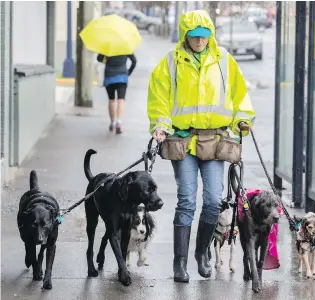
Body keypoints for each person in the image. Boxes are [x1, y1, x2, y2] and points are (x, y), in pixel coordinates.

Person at [147, 10, 256, 283]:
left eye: (204, 37)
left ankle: (201, 253)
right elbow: (159, 97)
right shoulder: (171, 62)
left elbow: (240, 95)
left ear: (211, 36)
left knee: (211, 202)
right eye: (194, 37)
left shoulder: (224, 61)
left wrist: (242, 119)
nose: (199, 42)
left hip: (215, 141)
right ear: (186, 35)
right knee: (186, 201)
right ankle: (179, 263)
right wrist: (160, 124)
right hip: (183, 141)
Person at [97, 53, 137, 134]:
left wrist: (106, 59)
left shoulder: (107, 46)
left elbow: (99, 58)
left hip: (109, 76)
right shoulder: (125, 46)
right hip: (122, 77)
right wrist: (128, 72)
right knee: (121, 100)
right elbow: (134, 61)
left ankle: (112, 123)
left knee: (111, 100)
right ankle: (118, 122)